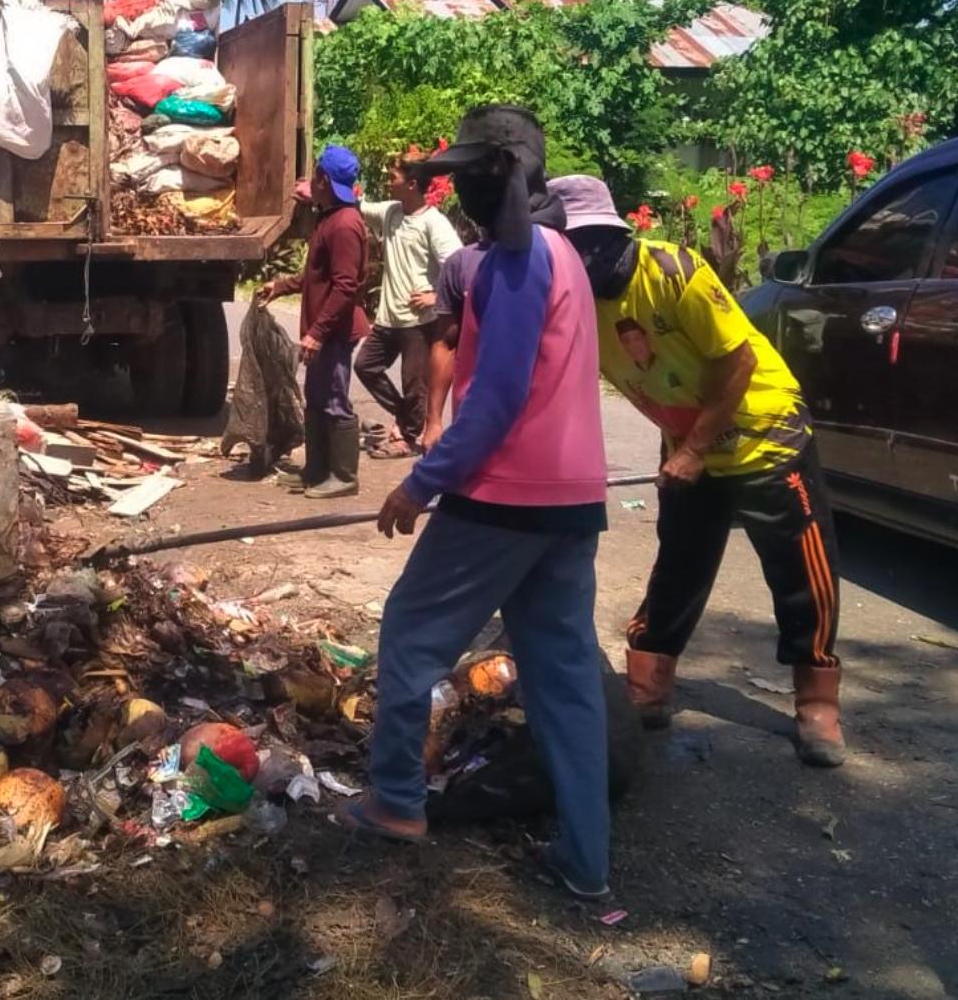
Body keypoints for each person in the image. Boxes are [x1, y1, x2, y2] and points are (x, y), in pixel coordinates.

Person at [333, 105, 614, 902]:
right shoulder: (555, 255)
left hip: (504, 499)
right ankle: (588, 864)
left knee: (411, 634)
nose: (457, 194)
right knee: (563, 682)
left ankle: (394, 802)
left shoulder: (514, 263)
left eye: (464, 180)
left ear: (487, 185)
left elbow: (495, 405)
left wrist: (420, 483)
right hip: (571, 503)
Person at [554, 175, 846, 768]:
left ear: (614, 238)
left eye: (587, 248)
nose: (579, 262)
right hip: (687, 442)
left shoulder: (672, 271)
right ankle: (650, 682)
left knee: (801, 570)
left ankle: (817, 700)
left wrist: (692, 449)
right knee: (679, 567)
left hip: (763, 433)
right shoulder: (576, 299)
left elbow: (737, 360)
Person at [255, 146, 370, 498]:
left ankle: (344, 476)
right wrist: (281, 286)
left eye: (315, 175)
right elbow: (316, 276)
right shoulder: (329, 217)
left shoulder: (345, 225)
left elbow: (345, 286)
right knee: (317, 397)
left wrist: (317, 333)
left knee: (334, 399)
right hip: (323, 330)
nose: (309, 183)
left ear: (324, 180)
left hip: (334, 332)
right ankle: (316, 470)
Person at [355, 150, 464, 456]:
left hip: (419, 321)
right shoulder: (391, 212)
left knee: (414, 383)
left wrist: (436, 296)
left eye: (393, 178)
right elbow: (359, 207)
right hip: (388, 317)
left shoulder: (434, 224)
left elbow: (459, 266)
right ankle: (406, 418)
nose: (388, 183)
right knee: (365, 366)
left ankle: (407, 437)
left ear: (413, 184)